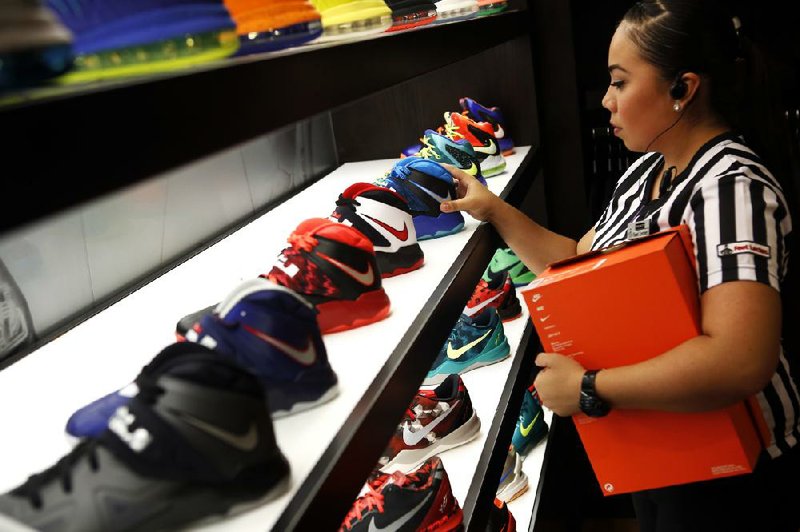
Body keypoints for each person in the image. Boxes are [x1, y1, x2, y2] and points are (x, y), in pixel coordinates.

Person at [439, 0, 800, 530]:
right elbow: (576, 261)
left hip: (731, 469)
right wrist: (491, 207)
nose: (606, 101)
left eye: (620, 82)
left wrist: (589, 388)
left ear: (684, 89)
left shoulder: (731, 190)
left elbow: (741, 359)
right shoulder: (648, 170)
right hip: (661, 445)